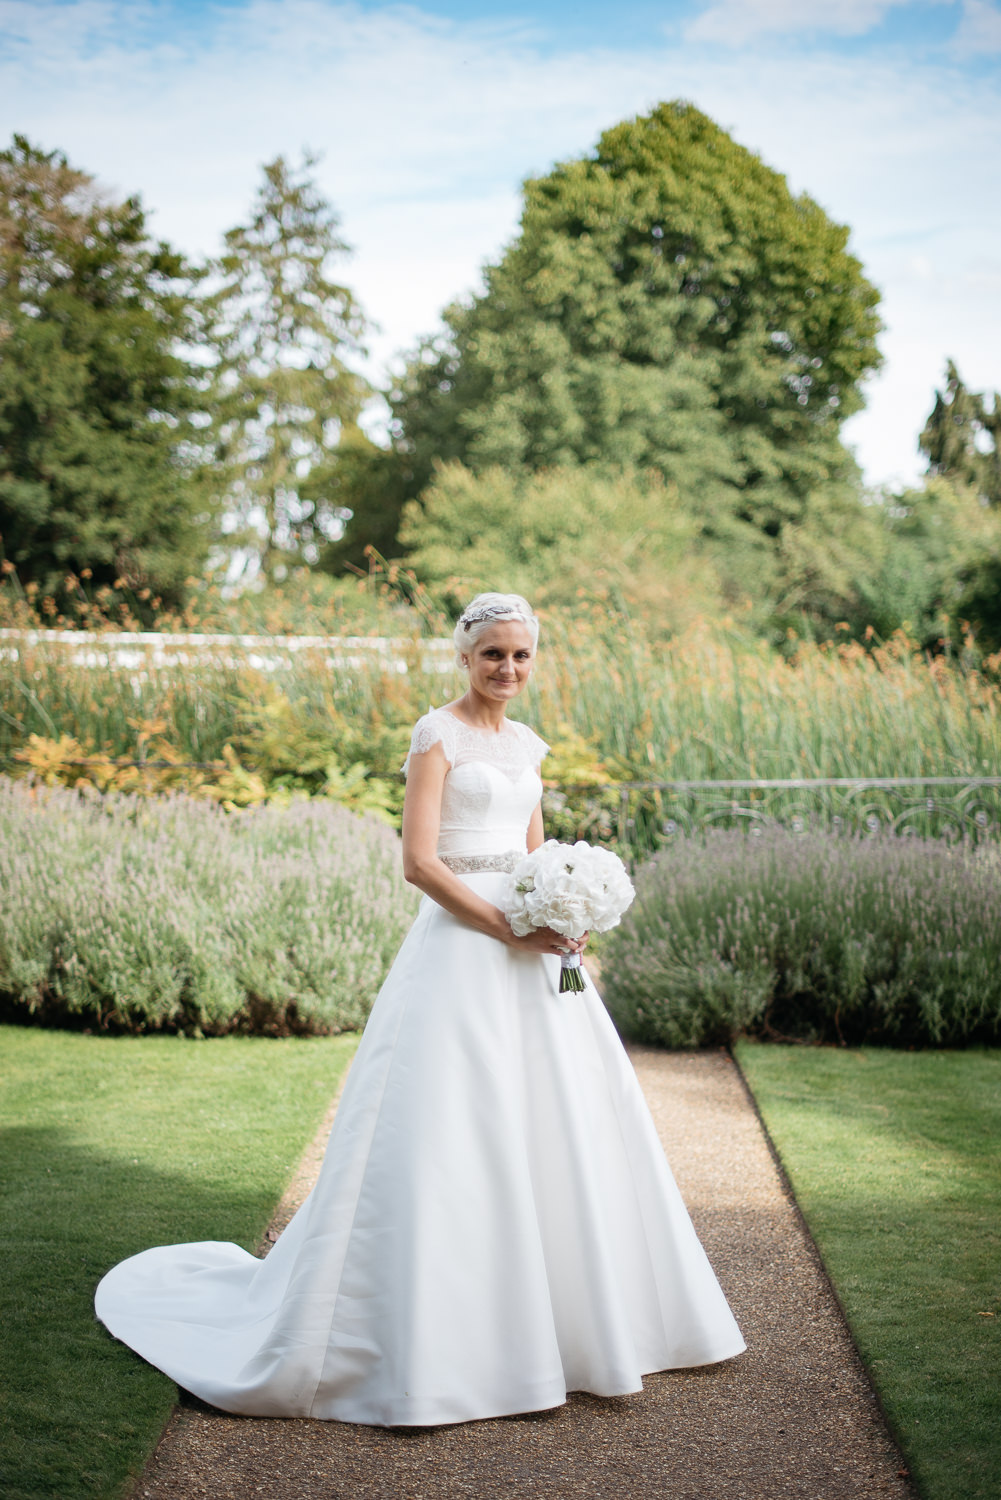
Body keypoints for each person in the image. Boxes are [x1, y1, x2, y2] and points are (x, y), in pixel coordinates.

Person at [95, 592, 745, 1427]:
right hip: (462, 946)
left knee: (561, 1121)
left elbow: (533, 849)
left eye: (520, 656)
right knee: (448, 1124)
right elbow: (420, 863)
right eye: (492, 656)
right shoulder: (434, 736)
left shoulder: (528, 745)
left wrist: (564, 911)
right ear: (464, 657)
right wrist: (508, 927)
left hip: (533, 950)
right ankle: (441, 1339)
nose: (507, 670)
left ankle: (577, 1325)